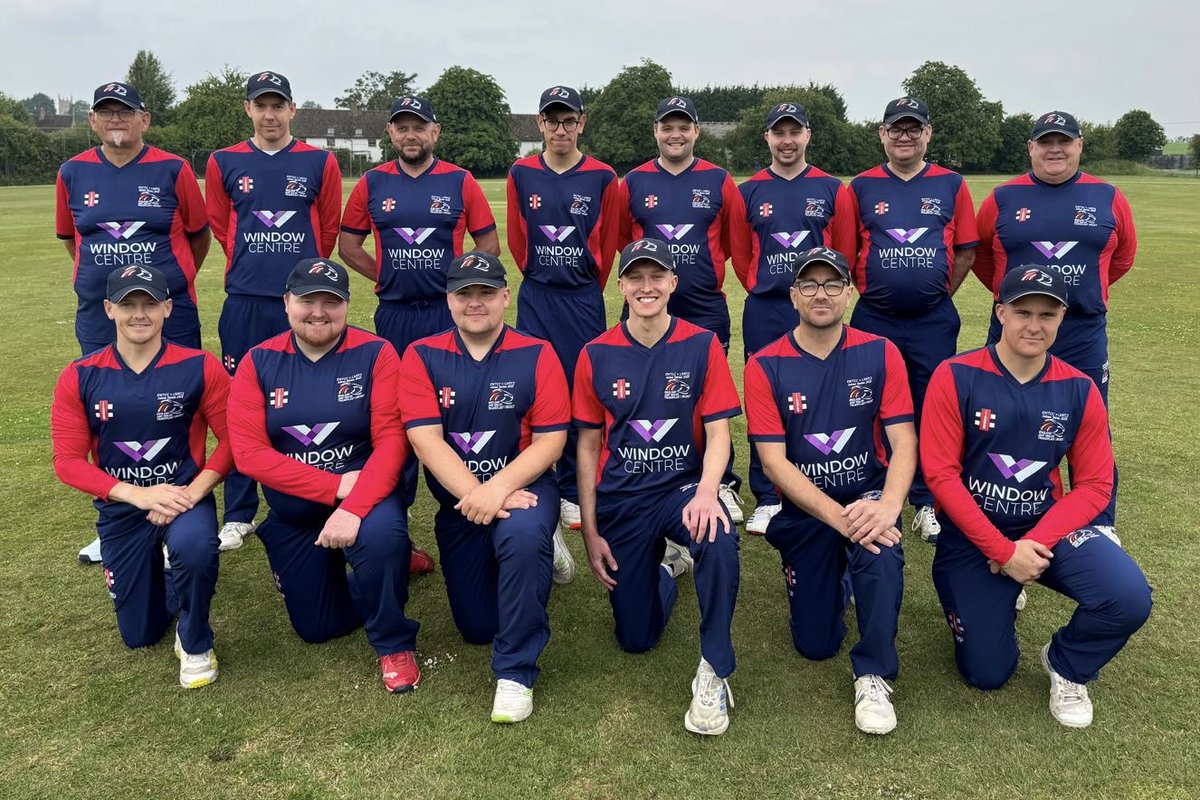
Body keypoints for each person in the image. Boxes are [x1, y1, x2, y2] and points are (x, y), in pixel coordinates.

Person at [921, 266, 1151, 728]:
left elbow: (1095, 487)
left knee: (1128, 597)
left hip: (1047, 532)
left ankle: (1066, 663)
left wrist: (1029, 548)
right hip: (972, 537)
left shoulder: (1079, 388)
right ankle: (999, 594)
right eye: (1023, 311)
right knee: (987, 673)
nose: (1034, 325)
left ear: (1062, 317)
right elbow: (942, 476)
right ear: (1000, 311)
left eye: (1047, 314)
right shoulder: (955, 375)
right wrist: (1002, 552)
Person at [226, 258, 420, 694]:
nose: (318, 311)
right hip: (299, 512)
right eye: (307, 301)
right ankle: (377, 572)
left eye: (330, 302)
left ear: (347, 305)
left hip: (366, 500)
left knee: (383, 539)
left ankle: (393, 640)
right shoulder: (258, 362)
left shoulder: (377, 353)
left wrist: (351, 505)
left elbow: (392, 442)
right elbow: (250, 455)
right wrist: (332, 487)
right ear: (286, 303)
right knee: (317, 627)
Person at [743, 246, 915, 734]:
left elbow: (904, 441)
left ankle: (874, 673)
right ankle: (838, 577)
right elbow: (774, 462)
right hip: (806, 512)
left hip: (869, 501)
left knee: (880, 555)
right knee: (815, 644)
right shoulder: (765, 365)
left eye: (833, 284)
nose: (822, 294)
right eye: (810, 286)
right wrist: (839, 520)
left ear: (848, 292)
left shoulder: (881, 352)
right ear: (793, 295)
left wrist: (888, 506)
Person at [574, 238, 742, 736]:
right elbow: (586, 448)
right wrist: (588, 528)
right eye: (636, 277)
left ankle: (715, 666)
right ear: (621, 285)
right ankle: (669, 568)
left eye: (657, 277)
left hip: (681, 490)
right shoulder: (595, 353)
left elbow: (718, 433)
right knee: (636, 638)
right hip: (623, 499)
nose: (646, 287)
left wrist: (709, 491)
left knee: (717, 530)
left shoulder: (701, 343)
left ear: (673, 283)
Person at [399, 252, 569, 722]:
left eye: (486, 293)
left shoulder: (538, 352)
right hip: (461, 502)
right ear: (448, 298)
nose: (476, 303)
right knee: (477, 627)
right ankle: (535, 552)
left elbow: (553, 440)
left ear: (505, 297)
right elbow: (424, 438)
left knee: (519, 531)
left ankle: (515, 673)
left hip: (527, 490)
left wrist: (499, 490)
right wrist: (481, 494)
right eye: (464, 293)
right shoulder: (421, 355)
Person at [339, 94, 498, 572]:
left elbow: (486, 242)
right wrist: (383, 276)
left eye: (419, 126)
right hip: (396, 316)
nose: (411, 134)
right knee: (397, 423)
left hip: (448, 318)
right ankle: (397, 532)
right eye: (401, 127)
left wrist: (461, 284)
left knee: (466, 412)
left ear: (435, 131)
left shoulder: (460, 180)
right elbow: (348, 243)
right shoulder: (371, 182)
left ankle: (486, 512)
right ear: (391, 133)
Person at [50, 265, 229, 688]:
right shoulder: (80, 375)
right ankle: (170, 575)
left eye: (150, 303)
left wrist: (191, 492)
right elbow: (68, 461)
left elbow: (235, 442)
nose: (139, 314)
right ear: (109, 309)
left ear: (168, 308)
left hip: (186, 500)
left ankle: (195, 638)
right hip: (124, 508)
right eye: (128, 304)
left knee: (196, 546)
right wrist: (137, 495)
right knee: (140, 634)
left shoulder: (199, 366)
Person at [55, 81, 211, 565]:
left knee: (181, 408)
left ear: (145, 119)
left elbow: (199, 235)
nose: (116, 120)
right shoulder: (73, 172)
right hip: (103, 316)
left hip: (171, 310)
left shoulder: (173, 168)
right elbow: (70, 238)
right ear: (93, 121)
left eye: (126, 112)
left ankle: (182, 513)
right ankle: (116, 520)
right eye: (107, 113)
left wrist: (175, 285)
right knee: (106, 414)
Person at [973, 111, 1136, 528]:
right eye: (1045, 141)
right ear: (1031, 148)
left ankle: (1099, 526)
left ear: (1079, 145)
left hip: (1080, 332)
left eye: (1064, 141)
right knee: (1007, 426)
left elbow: (1121, 257)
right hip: (1014, 331)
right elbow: (984, 256)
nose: (1055, 149)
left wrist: (1076, 295)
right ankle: (1007, 526)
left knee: (1090, 428)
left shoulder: (1109, 196)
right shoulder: (1003, 198)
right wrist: (1018, 306)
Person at [206, 71, 343, 552]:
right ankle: (239, 512)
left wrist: (300, 288)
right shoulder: (223, 161)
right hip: (245, 302)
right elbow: (224, 229)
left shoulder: (318, 161)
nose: (269, 114)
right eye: (260, 105)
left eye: (277, 105)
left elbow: (325, 233)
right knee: (239, 405)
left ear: (292, 109)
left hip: (305, 303)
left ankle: (319, 490)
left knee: (314, 399)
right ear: (248, 109)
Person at [844, 96, 978, 544]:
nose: (904, 136)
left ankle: (925, 501)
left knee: (931, 408)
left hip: (932, 321)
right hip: (873, 317)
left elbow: (965, 251)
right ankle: (873, 488)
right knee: (867, 404)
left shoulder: (952, 183)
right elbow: (846, 253)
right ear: (882, 134)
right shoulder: (860, 186)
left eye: (913, 128)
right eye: (896, 129)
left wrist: (936, 293)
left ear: (927, 134)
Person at [616, 96, 751, 521]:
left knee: (709, 399)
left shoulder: (718, 179)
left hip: (704, 306)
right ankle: (648, 472)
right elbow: (624, 242)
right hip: (646, 309)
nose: (675, 135)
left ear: (696, 131)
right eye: (667, 127)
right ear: (656, 131)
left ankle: (721, 481)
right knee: (649, 393)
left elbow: (734, 243)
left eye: (684, 127)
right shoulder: (634, 182)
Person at [735, 102, 857, 535]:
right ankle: (768, 496)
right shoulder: (747, 191)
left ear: (808, 136)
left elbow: (843, 252)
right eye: (778, 133)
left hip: (819, 302)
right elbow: (741, 254)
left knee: (825, 393)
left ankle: (824, 480)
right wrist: (765, 285)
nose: (787, 141)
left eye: (795, 132)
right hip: (768, 306)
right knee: (765, 397)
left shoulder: (831, 188)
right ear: (767, 137)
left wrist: (821, 293)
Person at [506, 85, 621, 536]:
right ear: (539, 123)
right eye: (551, 120)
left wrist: (583, 284)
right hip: (536, 296)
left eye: (568, 120)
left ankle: (574, 490)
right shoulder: (520, 173)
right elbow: (518, 240)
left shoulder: (602, 177)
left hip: (581, 299)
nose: (560, 129)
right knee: (532, 390)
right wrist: (539, 274)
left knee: (579, 393)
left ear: (581, 123)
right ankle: (537, 481)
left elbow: (608, 244)